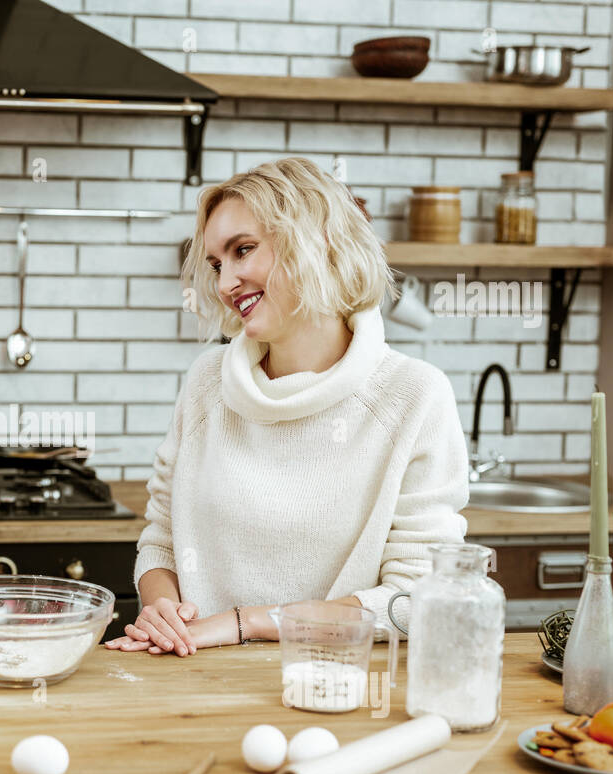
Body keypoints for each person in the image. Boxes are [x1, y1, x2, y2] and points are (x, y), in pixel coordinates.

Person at [106, 157, 469, 656]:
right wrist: (160, 607)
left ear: (317, 240)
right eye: (216, 264)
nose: (224, 283)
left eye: (243, 250)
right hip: (194, 677)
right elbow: (163, 538)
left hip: (337, 683)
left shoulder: (413, 395)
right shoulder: (207, 384)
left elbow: (415, 600)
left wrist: (246, 623)